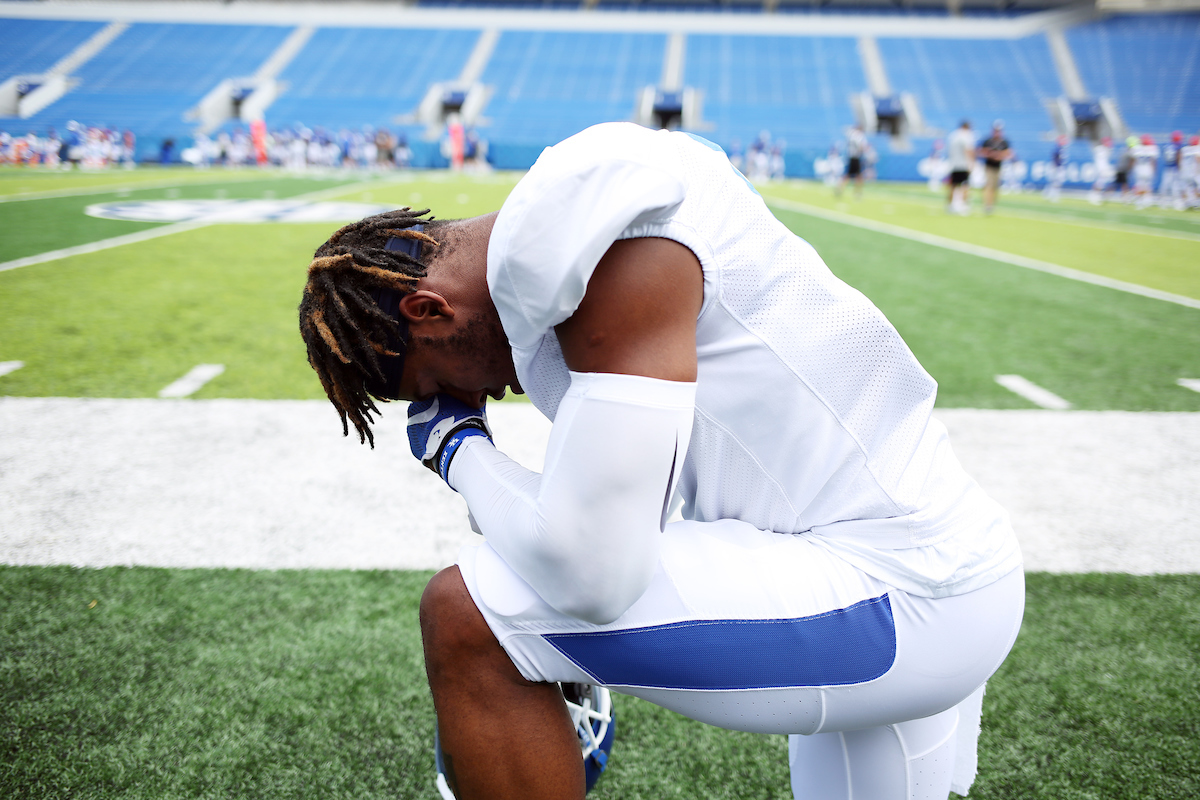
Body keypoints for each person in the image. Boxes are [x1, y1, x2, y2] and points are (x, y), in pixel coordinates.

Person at [297, 122, 1024, 800]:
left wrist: (458, 448)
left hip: (902, 590)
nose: (474, 395)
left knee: (468, 617)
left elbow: (593, 576)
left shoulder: (603, 255)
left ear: (428, 311)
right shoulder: (569, 246)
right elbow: (604, 517)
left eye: (431, 383)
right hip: (933, 558)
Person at [978, 120, 1011, 215]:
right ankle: (987, 205)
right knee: (988, 185)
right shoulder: (988, 141)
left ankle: (991, 204)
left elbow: (1008, 153)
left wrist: (999, 155)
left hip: (999, 167)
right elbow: (982, 152)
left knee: (995, 187)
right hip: (989, 166)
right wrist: (991, 155)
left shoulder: (1004, 142)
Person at [945, 119, 975, 214]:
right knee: (965, 185)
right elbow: (968, 150)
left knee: (953, 185)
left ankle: (949, 205)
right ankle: (964, 205)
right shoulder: (966, 136)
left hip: (953, 164)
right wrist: (971, 163)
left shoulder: (953, 135)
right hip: (963, 164)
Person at [839, 123, 868, 199]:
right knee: (858, 176)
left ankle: (840, 188)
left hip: (851, 156)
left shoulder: (851, 135)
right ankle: (857, 192)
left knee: (848, 175)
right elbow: (861, 146)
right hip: (856, 157)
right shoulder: (859, 136)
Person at [1132, 133, 1159, 209]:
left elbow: (1134, 160)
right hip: (1148, 169)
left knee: (1139, 185)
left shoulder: (1137, 148)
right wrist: (1154, 170)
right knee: (1147, 186)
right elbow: (1153, 161)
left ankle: (1139, 201)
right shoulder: (1152, 148)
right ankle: (1147, 200)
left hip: (1139, 169)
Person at [1088, 136, 1114, 205]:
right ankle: (1095, 195)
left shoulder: (1106, 149)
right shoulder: (1100, 149)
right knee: (1100, 183)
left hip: (1104, 168)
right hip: (1101, 168)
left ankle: (1099, 195)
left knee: (1103, 182)